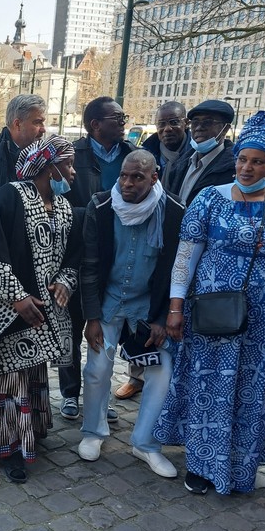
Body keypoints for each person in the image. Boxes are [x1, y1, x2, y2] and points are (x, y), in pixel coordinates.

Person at [155, 110, 265, 495]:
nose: (247, 167)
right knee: (208, 384)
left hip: (260, 317)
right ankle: (202, 462)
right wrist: (176, 307)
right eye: (242, 158)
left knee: (249, 387)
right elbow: (185, 258)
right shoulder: (210, 199)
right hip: (210, 312)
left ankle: (241, 465)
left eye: (258, 162)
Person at [0, 135, 79, 483]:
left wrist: (65, 282)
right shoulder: (9, 196)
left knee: (29, 376)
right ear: (49, 165)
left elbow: (73, 254)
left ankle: (29, 433)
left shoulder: (65, 206)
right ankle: (6, 447)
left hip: (42, 314)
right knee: (6, 379)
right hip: (6, 313)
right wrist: (16, 297)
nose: (72, 172)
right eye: (67, 164)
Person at [76, 150, 185, 477]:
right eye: (124, 175)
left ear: (154, 178)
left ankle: (145, 444)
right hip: (109, 304)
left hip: (147, 310)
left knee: (161, 372)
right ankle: (93, 432)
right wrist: (92, 317)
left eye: (137, 177)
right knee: (96, 368)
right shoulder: (101, 207)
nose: (127, 183)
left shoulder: (174, 212)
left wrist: (163, 317)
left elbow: (176, 269)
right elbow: (90, 266)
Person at [61, 96, 138, 423]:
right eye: (116, 118)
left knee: (103, 335)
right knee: (71, 330)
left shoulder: (131, 156)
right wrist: (90, 216)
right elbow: (57, 204)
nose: (123, 123)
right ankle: (69, 394)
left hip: (116, 259)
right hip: (73, 255)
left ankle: (98, 396)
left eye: (123, 117)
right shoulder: (71, 155)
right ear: (95, 124)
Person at [114, 102, 190, 401]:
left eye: (174, 122)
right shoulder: (147, 151)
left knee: (163, 341)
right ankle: (136, 377)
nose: (167, 128)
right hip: (137, 242)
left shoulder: (194, 155)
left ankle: (167, 394)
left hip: (175, 229)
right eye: (162, 123)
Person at [164, 99, 236, 206]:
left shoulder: (233, 170)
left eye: (207, 122)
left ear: (225, 129)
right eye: (195, 122)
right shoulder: (180, 163)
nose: (199, 128)